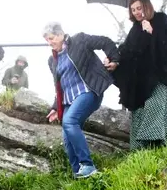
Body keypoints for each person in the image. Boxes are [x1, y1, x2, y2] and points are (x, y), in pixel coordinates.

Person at [43, 21, 119, 178]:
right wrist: (55, 107)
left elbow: (105, 41)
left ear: (60, 34)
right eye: (47, 40)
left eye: (51, 38)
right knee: (67, 134)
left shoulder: (79, 40)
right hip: (69, 101)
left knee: (69, 121)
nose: (50, 43)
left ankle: (88, 165)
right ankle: (78, 173)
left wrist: (114, 59)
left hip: (88, 91)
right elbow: (59, 86)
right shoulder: (53, 61)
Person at [111, 0, 167, 150]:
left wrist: (154, 32)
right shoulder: (135, 29)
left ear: (146, 6)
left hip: (161, 75)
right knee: (139, 110)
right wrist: (114, 60)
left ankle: (155, 144)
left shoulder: (160, 20)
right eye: (133, 10)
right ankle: (139, 150)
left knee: (156, 105)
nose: (137, 12)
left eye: (139, 8)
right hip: (142, 80)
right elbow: (127, 50)